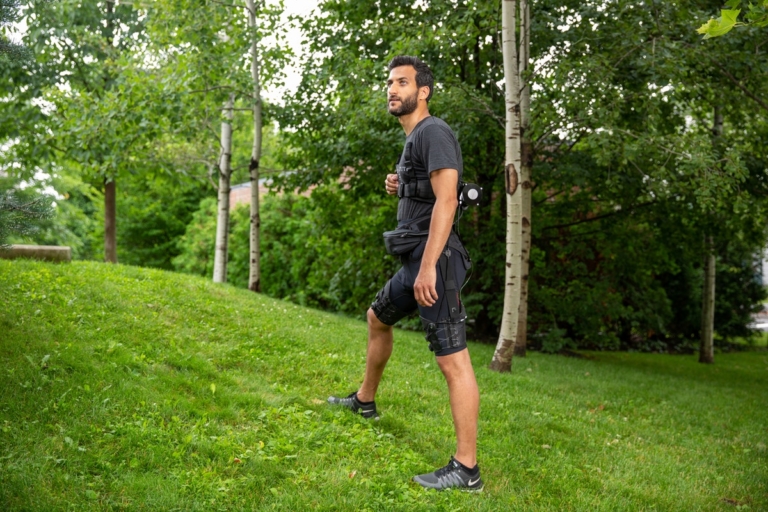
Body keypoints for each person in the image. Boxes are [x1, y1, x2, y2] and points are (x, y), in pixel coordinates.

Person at [328, 55, 482, 492]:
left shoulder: (433, 131)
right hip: (416, 262)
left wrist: (429, 268)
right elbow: (431, 191)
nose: (392, 90)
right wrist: (401, 182)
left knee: (452, 359)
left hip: (436, 262)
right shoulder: (415, 138)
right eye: (390, 83)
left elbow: (448, 201)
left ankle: (466, 469)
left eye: (402, 83)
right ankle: (364, 401)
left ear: (423, 91)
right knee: (378, 317)